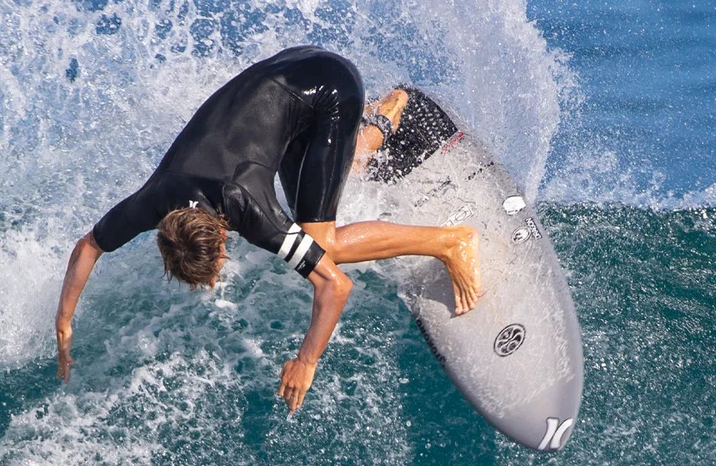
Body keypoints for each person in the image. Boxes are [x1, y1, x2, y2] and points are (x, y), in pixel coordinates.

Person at [53, 45, 482, 410]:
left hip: (329, 86)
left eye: (217, 263)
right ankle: (381, 119)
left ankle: (449, 241)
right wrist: (64, 321)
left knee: (322, 242)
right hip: (289, 72)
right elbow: (88, 246)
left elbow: (335, 287)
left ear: (222, 233)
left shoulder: (245, 207)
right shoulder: (153, 202)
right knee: (324, 192)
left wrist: (305, 362)